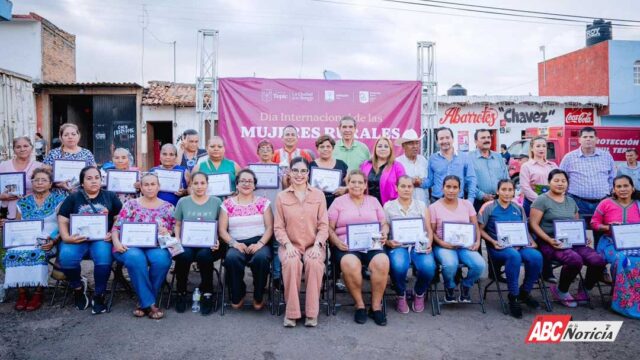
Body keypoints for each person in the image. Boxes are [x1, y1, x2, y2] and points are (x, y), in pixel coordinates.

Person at [529, 169, 606, 308]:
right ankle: (561, 290)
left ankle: (585, 290)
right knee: (574, 260)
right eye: (556, 180)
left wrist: (582, 237)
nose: (560, 184)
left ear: (567, 183)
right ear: (549, 182)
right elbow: (533, 224)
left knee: (598, 260)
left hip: (572, 241)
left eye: (563, 181)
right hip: (550, 242)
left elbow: (576, 223)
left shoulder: (571, 201)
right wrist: (548, 239)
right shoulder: (541, 200)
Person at [57, 166, 122, 314]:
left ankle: (99, 294)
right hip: (77, 238)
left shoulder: (110, 196)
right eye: (89, 178)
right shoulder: (73, 197)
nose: (94, 181)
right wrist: (66, 238)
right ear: (82, 183)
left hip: (101, 239)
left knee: (104, 260)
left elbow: (120, 218)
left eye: (97, 178)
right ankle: (78, 288)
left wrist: (112, 233)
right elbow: (62, 219)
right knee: (67, 258)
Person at [328, 170, 389, 326]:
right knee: (350, 263)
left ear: (365, 185)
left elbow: (384, 223)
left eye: (360, 182)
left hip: (371, 244)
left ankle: (376, 306)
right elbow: (328, 227)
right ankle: (359, 304)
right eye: (353, 182)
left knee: (382, 261)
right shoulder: (338, 202)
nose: (356, 185)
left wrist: (384, 233)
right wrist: (336, 241)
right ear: (347, 184)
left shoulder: (374, 201)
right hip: (346, 245)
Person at [112, 173, 174, 319]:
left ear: (159, 187)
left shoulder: (168, 207)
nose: (150, 187)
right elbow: (116, 228)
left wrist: (167, 231)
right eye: (146, 184)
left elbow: (173, 230)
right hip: (130, 246)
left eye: (153, 184)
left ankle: (143, 301)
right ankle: (150, 304)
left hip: (156, 245)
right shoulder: (130, 205)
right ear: (140, 187)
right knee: (135, 258)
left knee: (162, 260)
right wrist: (116, 242)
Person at [1, 169, 65, 311]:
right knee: (12, 254)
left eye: (43, 180)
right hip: (26, 240)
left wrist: (53, 241)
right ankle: (22, 293)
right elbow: (18, 225)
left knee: (38, 252)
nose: (39, 183)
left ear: (50, 184)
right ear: (32, 182)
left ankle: (38, 292)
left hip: (49, 240)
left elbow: (63, 225)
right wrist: (8, 226)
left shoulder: (59, 200)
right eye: (36, 180)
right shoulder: (23, 202)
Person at [274, 157, 328, 327]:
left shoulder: (318, 195)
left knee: (314, 263)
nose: (299, 174)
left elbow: (324, 226)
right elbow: (278, 227)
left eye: (303, 171)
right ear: (289, 172)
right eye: (295, 170)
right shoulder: (282, 197)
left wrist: (318, 245)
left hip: (314, 245)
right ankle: (292, 313)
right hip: (290, 245)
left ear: (308, 173)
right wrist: (288, 245)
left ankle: (312, 313)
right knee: (291, 263)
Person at [478, 179, 543, 318]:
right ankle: (513, 296)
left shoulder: (518, 207)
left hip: (519, 244)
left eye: (510, 190)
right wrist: (492, 241)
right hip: (498, 247)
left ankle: (524, 292)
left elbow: (524, 228)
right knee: (514, 256)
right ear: (497, 191)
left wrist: (531, 241)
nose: (507, 193)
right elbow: (480, 229)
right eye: (504, 190)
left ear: (514, 192)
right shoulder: (489, 206)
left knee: (536, 256)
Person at [219, 169, 273, 311]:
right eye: (243, 181)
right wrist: (234, 244)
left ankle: (258, 294)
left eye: (250, 181)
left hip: (260, 242)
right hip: (236, 242)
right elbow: (222, 230)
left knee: (261, 259)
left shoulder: (263, 203)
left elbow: (270, 227)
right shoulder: (227, 204)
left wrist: (260, 243)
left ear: (255, 185)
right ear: (236, 184)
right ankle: (238, 293)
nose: (246, 184)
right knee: (231, 258)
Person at [172, 172, 224, 315]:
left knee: (204, 256)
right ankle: (181, 291)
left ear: (207, 184)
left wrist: (217, 240)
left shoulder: (216, 202)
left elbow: (221, 225)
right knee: (183, 255)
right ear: (191, 185)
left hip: (209, 244)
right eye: (196, 183)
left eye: (202, 183)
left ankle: (207, 292)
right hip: (187, 242)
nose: (199, 186)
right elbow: (177, 224)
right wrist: (177, 239)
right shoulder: (183, 202)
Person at [383, 176, 435, 314]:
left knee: (429, 267)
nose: (406, 189)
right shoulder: (388, 206)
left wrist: (429, 242)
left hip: (419, 244)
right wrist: (388, 241)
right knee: (399, 266)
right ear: (396, 188)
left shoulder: (421, 205)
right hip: (398, 245)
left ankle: (419, 293)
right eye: (403, 186)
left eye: (409, 186)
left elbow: (428, 229)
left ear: (413, 188)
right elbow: (385, 227)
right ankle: (401, 294)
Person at [430, 175, 485, 303]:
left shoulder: (467, 204)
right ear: (442, 188)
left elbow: (476, 226)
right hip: (444, 245)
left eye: (455, 187)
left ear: (460, 190)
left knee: (479, 265)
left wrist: (477, 242)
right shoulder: (434, 207)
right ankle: (449, 286)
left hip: (465, 245)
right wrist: (442, 243)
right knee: (450, 264)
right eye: (448, 187)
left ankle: (466, 286)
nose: (451, 190)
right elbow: (431, 232)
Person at [590, 175, 640, 319]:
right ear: (614, 189)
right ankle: (624, 303)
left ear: (632, 187)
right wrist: (608, 227)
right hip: (610, 243)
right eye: (619, 186)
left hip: (635, 243)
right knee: (623, 259)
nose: (623, 189)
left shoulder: (638, 204)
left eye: (626, 186)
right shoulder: (606, 203)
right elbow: (594, 223)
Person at [559, 127, 615, 226]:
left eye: (591, 137)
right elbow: (561, 178)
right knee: (579, 235)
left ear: (596, 139)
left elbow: (612, 178)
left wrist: (608, 194)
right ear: (579, 139)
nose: (588, 139)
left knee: (601, 232)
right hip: (577, 203)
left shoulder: (607, 156)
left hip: (602, 203)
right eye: (585, 137)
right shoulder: (569, 157)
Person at [253, 139, 283, 284]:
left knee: (277, 245)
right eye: (262, 148)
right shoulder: (251, 169)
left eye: (268, 149)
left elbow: (286, 188)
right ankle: (260, 278)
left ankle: (277, 276)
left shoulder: (280, 169)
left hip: (276, 211)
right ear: (257, 152)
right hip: (256, 214)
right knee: (261, 245)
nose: (265, 151)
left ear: (273, 152)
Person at [423, 127, 477, 203]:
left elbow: (471, 179)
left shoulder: (464, 157)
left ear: (452, 139)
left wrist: (470, 200)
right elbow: (430, 181)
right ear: (437, 141)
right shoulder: (432, 158)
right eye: (441, 138)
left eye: (447, 138)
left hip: (458, 200)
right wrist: (417, 183)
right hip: (437, 200)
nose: (445, 141)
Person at [43, 124, 96, 192]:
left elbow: (94, 173)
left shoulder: (87, 153)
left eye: (73, 134)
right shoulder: (53, 153)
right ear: (61, 137)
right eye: (66, 135)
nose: (70, 137)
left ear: (78, 136)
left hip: (82, 193)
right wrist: (57, 184)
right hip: (59, 193)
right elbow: (44, 174)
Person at [0, 136, 43, 221]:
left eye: (25, 146)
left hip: (32, 209)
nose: (22, 149)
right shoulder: (3, 166)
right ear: (14, 149)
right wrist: (1, 196)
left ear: (31, 147)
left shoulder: (39, 166)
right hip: (8, 210)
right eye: (18, 147)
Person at [469, 129, 509, 213]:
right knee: (480, 226)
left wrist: (504, 193)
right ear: (476, 141)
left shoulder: (498, 157)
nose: (487, 140)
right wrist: (482, 195)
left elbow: (506, 178)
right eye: (483, 138)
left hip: (499, 200)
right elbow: (467, 182)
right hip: (478, 202)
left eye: (488, 137)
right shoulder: (469, 158)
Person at [360, 136, 406, 206]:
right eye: (380, 146)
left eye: (386, 146)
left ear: (390, 150)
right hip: (367, 206)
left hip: (390, 207)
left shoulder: (397, 166)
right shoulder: (366, 165)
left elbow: (403, 187)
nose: (382, 149)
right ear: (375, 149)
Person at [519, 136, 558, 217]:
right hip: (532, 204)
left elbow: (559, 182)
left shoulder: (553, 166)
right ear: (532, 148)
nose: (541, 149)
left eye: (544, 146)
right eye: (538, 146)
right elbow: (525, 187)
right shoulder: (526, 166)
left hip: (552, 204)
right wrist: (541, 200)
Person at [309, 135, 348, 209]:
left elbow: (350, 184)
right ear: (317, 149)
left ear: (333, 148)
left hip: (337, 204)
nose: (325, 149)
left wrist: (345, 189)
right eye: (322, 147)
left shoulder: (341, 164)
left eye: (328, 146)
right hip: (315, 204)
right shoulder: (310, 165)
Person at [395, 129, 429, 205]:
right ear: (403, 146)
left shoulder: (423, 160)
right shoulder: (397, 162)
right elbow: (395, 183)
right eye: (411, 144)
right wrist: (411, 181)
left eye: (417, 143)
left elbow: (429, 180)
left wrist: (421, 182)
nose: (415, 146)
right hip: (404, 205)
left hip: (423, 203)